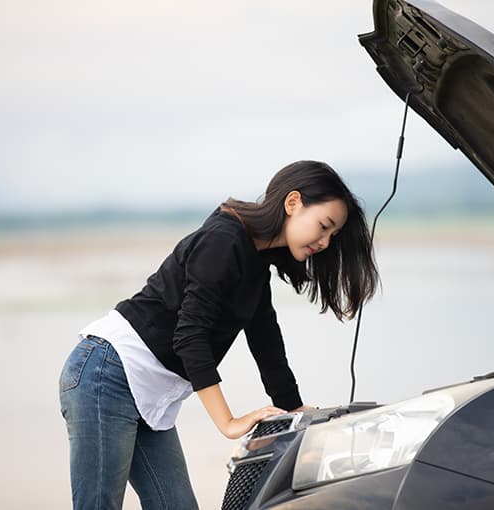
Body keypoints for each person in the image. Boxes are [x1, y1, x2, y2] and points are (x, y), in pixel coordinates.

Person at [58, 160, 379, 509]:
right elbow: (189, 335)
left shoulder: (256, 262)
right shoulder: (223, 240)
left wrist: (296, 409)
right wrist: (228, 422)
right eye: (324, 226)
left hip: (149, 394)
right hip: (107, 374)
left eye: (332, 235)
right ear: (292, 203)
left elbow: (267, 344)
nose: (325, 241)